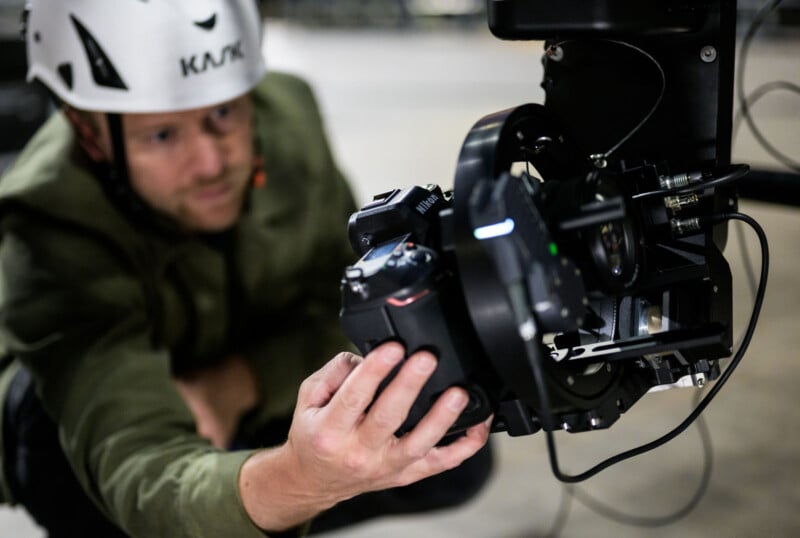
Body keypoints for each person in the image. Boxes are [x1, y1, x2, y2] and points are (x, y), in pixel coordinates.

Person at [0, 1, 493, 537]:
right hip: (97, 409)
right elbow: (135, 466)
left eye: (224, 113)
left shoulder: (286, 114)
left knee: (446, 435)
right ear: (90, 134)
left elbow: (350, 306)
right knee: (57, 455)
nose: (212, 162)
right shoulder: (46, 218)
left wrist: (240, 385)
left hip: (235, 373)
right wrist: (302, 479)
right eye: (162, 136)